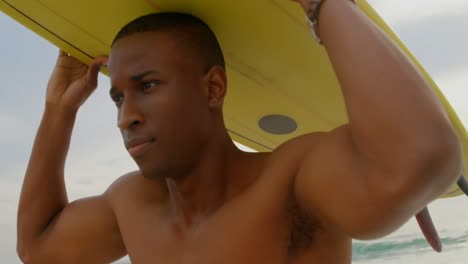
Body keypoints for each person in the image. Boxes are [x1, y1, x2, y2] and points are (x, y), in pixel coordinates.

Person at [16, 0, 462, 263]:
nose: (125, 115)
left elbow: (419, 160)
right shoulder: (131, 204)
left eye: (147, 86)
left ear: (213, 87)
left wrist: (321, 5)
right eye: (117, 97)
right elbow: (37, 249)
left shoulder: (291, 181)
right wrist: (58, 111)